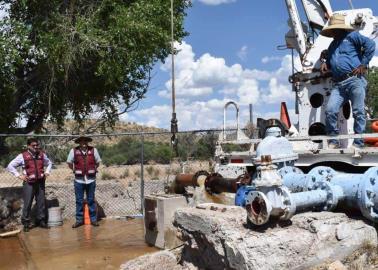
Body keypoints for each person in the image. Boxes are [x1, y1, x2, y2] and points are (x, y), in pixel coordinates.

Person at [319, 14, 376, 149]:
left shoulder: (353, 36)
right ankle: (333, 140)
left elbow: (371, 44)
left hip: (354, 80)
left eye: (333, 29)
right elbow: (331, 62)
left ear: (339, 28)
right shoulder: (332, 45)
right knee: (330, 110)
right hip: (338, 84)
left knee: (358, 112)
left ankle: (358, 143)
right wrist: (325, 63)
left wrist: (363, 64)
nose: (332, 32)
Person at [7, 138, 52, 232]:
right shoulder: (22, 156)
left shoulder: (41, 154)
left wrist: (47, 172)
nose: (35, 147)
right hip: (29, 183)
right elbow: (10, 166)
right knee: (27, 203)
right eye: (33, 145)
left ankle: (41, 221)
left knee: (41, 202)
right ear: (28, 146)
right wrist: (19, 176)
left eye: (37, 145)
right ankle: (26, 223)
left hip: (40, 182)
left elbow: (49, 163)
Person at [67, 136, 101, 228]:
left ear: (87, 142)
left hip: (91, 179)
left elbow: (98, 162)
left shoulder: (94, 150)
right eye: (82, 141)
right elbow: (69, 162)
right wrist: (74, 169)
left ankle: (93, 220)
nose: (84, 142)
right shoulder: (73, 151)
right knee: (79, 200)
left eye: (85, 141)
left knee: (91, 200)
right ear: (79, 142)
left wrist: (94, 168)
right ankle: (79, 220)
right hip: (79, 180)